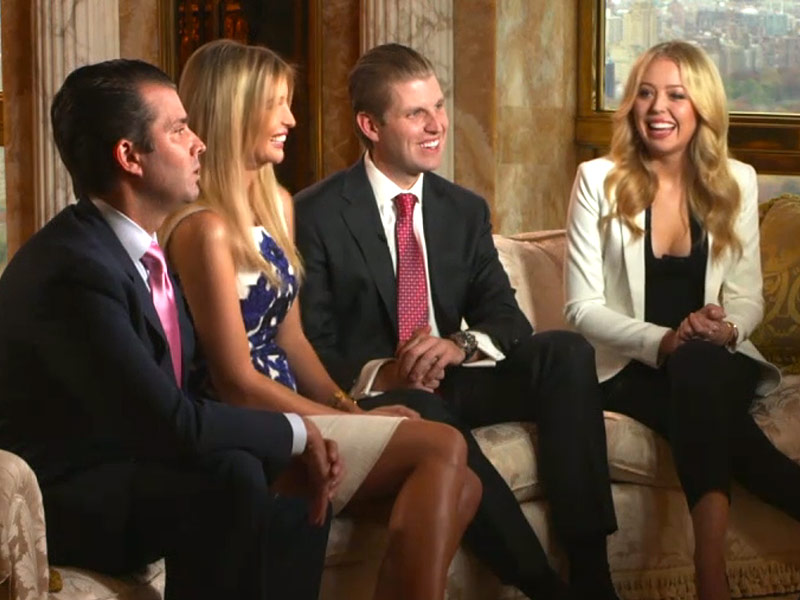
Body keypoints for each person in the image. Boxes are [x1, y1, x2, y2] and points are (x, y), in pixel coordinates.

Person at [0, 59, 340, 600]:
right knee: (234, 473)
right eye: (179, 129)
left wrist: (287, 442)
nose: (200, 143)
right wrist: (296, 431)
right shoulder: (75, 268)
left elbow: (191, 387)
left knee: (275, 469)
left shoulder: (136, 250)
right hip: (66, 496)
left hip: (133, 461)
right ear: (130, 156)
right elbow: (172, 421)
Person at [294, 42, 620, 600]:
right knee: (424, 410)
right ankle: (541, 584)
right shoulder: (316, 213)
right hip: (382, 396)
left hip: (456, 378)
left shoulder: (463, 209)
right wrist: (387, 373)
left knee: (565, 352)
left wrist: (459, 344)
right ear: (370, 125)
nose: (437, 125)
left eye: (439, 107)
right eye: (416, 113)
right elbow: (312, 345)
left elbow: (507, 318)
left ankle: (592, 575)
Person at [160, 39, 481, 600]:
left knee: (467, 486)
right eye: (276, 105)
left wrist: (348, 408)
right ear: (234, 112)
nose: (290, 119)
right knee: (444, 447)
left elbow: (291, 338)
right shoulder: (203, 228)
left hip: (294, 401)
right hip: (249, 420)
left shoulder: (279, 205)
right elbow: (235, 381)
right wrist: (342, 423)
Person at [564, 40, 798, 600]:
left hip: (715, 358)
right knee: (704, 392)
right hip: (631, 366)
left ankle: (708, 574)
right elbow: (581, 308)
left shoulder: (737, 180)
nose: (658, 108)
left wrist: (726, 329)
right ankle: (711, 575)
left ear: (702, 108)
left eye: (676, 95)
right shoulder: (597, 179)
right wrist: (666, 339)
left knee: (699, 367)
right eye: (646, 93)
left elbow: (746, 297)